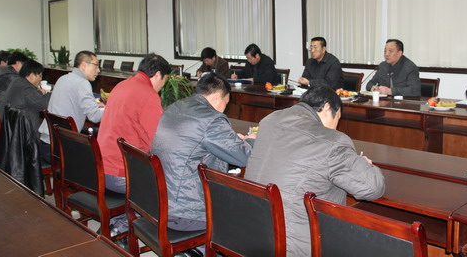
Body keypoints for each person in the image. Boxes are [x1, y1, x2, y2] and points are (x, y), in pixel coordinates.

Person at [244, 85, 385, 256]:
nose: (336, 127)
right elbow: (372, 188)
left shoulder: (269, 120)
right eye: (337, 119)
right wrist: (363, 164)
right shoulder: (332, 140)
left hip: (251, 230)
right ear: (326, 108)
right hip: (293, 245)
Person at [152, 73, 253, 231]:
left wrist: (232, 139)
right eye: (225, 103)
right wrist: (250, 140)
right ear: (217, 96)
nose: (224, 109)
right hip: (185, 213)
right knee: (247, 209)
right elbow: (244, 157)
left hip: (157, 201)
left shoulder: (176, 106)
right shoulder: (212, 119)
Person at [97, 53, 171, 235]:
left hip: (100, 167)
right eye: (164, 81)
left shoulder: (121, 85)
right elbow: (159, 140)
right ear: (158, 75)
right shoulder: (148, 95)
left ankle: (114, 222)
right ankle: (120, 227)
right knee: (170, 186)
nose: (162, 86)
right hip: (121, 174)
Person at [38, 51, 104, 162]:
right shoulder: (82, 83)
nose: (98, 70)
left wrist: (94, 103)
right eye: (96, 65)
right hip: (62, 148)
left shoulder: (63, 78)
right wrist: (111, 108)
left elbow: (71, 101)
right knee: (98, 158)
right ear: (84, 65)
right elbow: (94, 116)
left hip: (47, 142)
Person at [0, 60, 51, 132]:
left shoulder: (17, 81)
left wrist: (39, 92)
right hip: (22, 131)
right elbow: (43, 104)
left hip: (10, 126)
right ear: (32, 75)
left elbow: (30, 98)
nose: (41, 79)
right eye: (40, 75)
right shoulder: (27, 88)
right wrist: (50, 94)